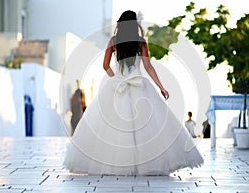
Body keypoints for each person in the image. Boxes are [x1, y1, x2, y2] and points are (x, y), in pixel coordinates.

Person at [63, 10, 203, 175]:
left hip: (118, 85)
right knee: (148, 127)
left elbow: (105, 65)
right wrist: (161, 86)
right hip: (140, 85)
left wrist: (116, 78)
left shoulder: (113, 41)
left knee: (112, 127)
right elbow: (148, 66)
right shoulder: (141, 41)